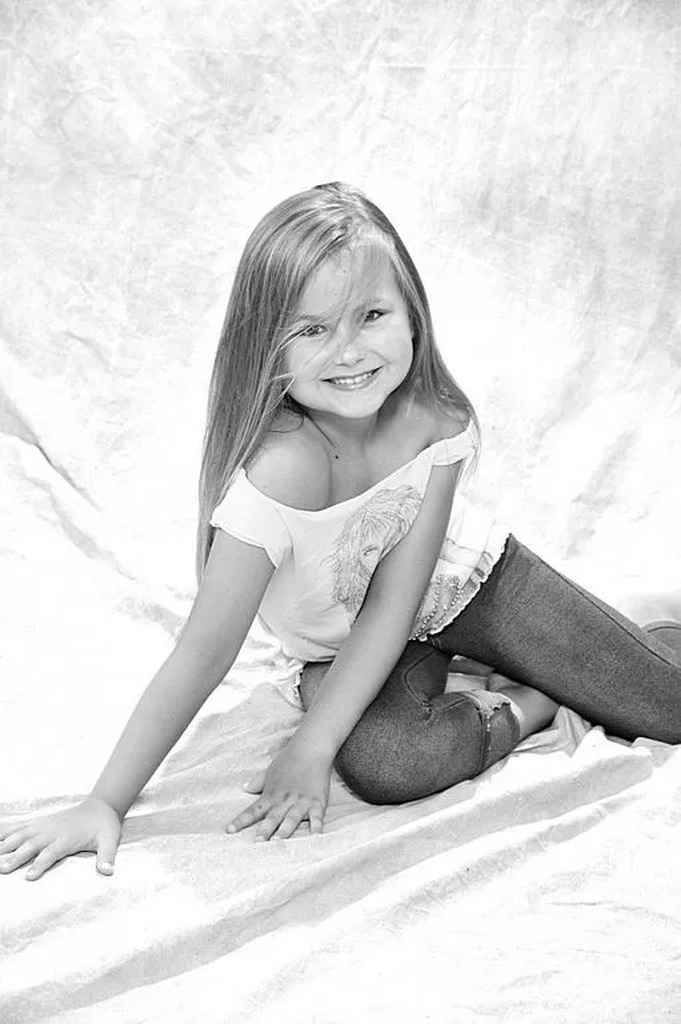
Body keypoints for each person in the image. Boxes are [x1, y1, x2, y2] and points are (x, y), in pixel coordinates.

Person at [1, 182, 679, 881]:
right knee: (388, 764)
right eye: (311, 328)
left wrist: (313, 741)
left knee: (670, 707)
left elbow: (398, 596)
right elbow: (202, 654)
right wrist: (105, 802)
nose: (348, 352)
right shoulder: (273, 480)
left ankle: (627, 623)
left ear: (411, 314)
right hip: (345, 646)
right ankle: (535, 696)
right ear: (265, 345)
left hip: (472, 584)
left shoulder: (433, 421)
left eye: (371, 315)